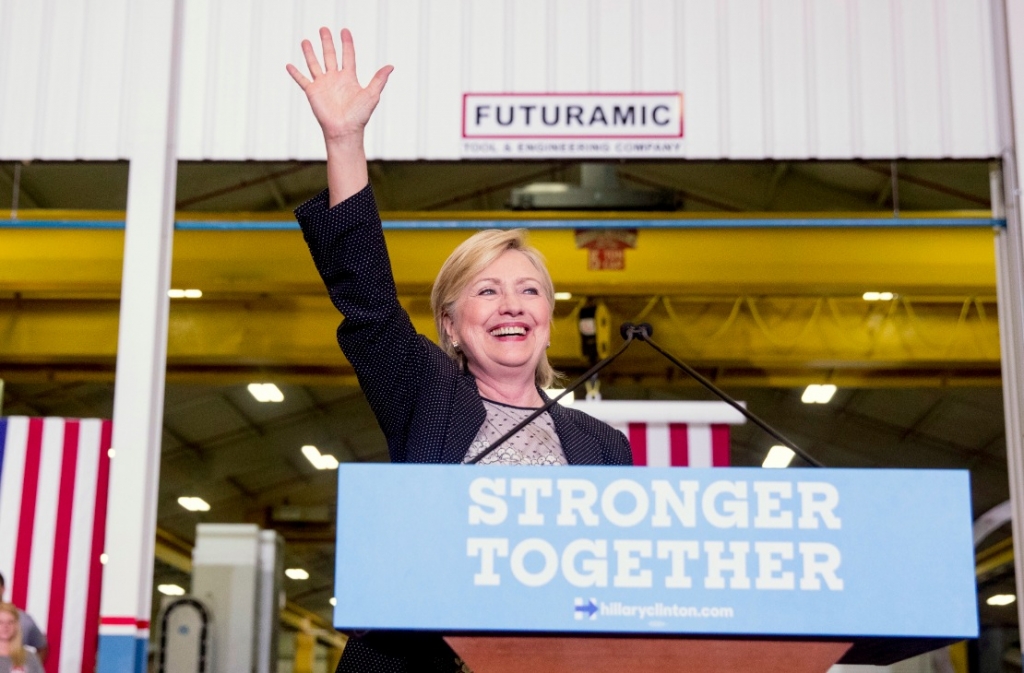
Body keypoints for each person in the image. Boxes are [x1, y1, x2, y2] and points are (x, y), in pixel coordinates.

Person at [288, 28, 632, 672]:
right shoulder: (426, 394)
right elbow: (367, 297)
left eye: (529, 290)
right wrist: (344, 141)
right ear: (450, 324)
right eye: (487, 290)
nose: (512, 305)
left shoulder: (603, 447)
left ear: (548, 321)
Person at [0, 577, 45, 665]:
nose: (5, 626)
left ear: (3, 588)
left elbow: (42, 647)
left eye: (10, 623)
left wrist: (30, 667)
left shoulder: (22, 619)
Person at [0, 603, 43, 673]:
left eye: (10, 622)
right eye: (1, 622)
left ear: (16, 625)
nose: (6, 626)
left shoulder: (30, 658)